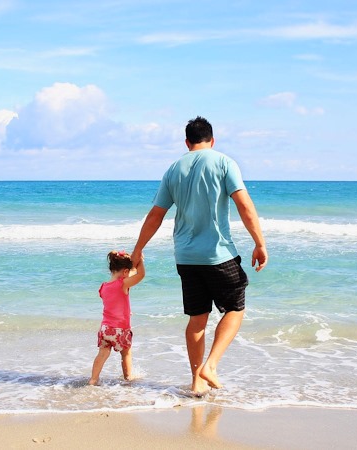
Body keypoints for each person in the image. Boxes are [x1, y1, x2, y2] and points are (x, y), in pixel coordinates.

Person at [130, 116, 268, 395]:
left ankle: (197, 382)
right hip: (217, 254)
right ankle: (211, 366)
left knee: (197, 318)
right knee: (235, 309)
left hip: (185, 257)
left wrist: (138, 249)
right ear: (212, 140)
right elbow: (243, 204)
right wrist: (259, 243)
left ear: (187, 142)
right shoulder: (224, 162)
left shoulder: (173, 169)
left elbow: (157, 214)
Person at [88, 250, 146, 385]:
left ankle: (93, 379)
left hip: (105, 329)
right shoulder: (123, 284)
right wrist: (140, 261)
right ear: (125, 272)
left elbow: (114, 302)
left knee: (102, 354)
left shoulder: (103, 287)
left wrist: (131, 265)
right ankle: (128, 378)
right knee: (126, 354)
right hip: (121, 329)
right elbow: (141, 275)